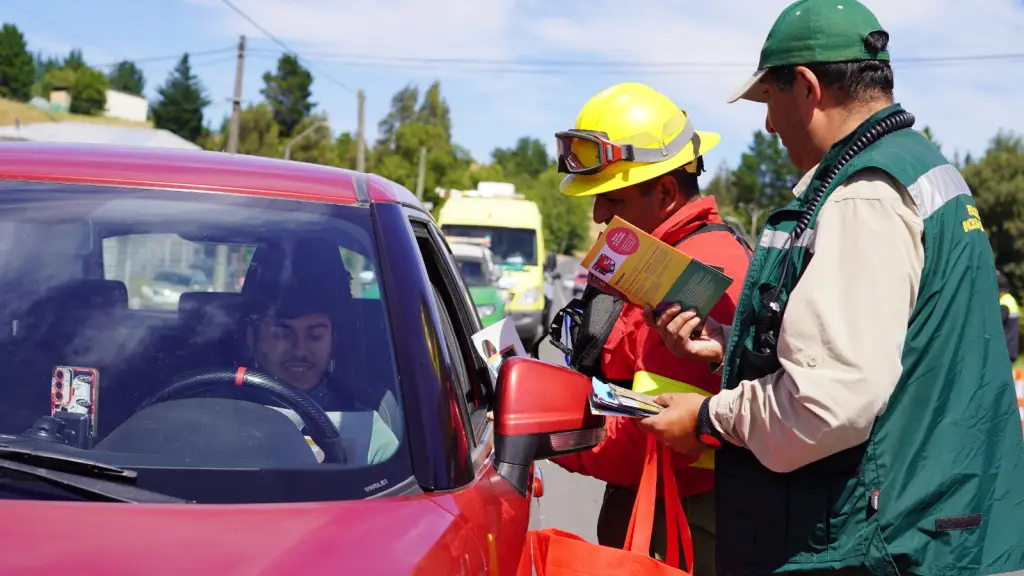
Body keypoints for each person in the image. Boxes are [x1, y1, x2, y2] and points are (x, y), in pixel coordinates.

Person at [636, 1, 1024, 574]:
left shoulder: (863, 194)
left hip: (887, 543)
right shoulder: (921, 169)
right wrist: (732, 350)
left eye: (770, 101)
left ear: (809, 89)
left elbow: (829, 402)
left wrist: (707, 418)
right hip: (942, 528)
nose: (768, 125)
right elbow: (898, 355)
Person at [546, 82, 752, 574]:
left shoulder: (700, 273)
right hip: (660, 513)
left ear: (662, 190)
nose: (597, 215)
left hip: (682, 528)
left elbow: (656, 436)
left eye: (611, 198)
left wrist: (543, 431)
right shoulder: (663, 257)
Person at [241, 239, 399, 465]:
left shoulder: (367, 429)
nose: (299, 350)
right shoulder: (208, 414)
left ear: (334, 340)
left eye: (315, 335)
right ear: (252, 338)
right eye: (282, 334)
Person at [998, 270, 1019, 364]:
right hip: (1011, 348)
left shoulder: (1004, 304)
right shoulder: (1010, 299)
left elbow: (997, 325)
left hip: (1004, 351)